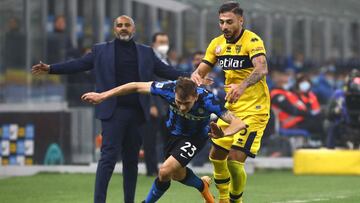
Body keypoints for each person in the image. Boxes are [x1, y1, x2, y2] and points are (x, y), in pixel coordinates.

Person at [32, 15, 188, 203]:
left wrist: (195, 76)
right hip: (113, 113)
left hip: (137, 114)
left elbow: (167, 72)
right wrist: (50, 69)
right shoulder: (100, 51)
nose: (123, 28)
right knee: (107, 160)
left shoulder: (146, 52)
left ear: (133, 29)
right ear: (114, 29)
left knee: (131, 162)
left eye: (127, 25)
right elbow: (78, 65)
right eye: (119, 25)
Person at [81, 77, 247, 203]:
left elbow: (239, 123)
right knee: (177, 175)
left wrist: (223, 134)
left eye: (186, 103)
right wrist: (103, 95)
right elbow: (135, 86)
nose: (182, 107)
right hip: (172, 134)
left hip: (195, 138)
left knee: (164, 171)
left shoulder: (209, 100)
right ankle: (202, 186)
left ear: (195, 97)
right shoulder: (167, 88)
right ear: (174, 93)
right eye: (178, 102)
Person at [191, 2, 270, 202]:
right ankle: (223, 199)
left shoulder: (252, 40)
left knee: (235, 161)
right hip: (231, 109)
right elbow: (200, 71)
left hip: (255, 109)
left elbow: (261, 69)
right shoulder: (217, 44)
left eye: (229, 22)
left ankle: (236, 200)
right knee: (216, 155)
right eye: (221, 22)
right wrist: (197, 78)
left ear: (240, 21)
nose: (224, 26)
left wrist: (241, 86)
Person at [141, 32, 171, 176]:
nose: (163, 45)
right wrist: (151, 104)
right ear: (153, 44)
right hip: (153, 105)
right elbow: (146, 82)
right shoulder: (148, 60)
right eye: (160, 42)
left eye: (165, 42)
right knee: (150, 140)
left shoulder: (166, 60)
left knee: (169, 140)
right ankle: (151, 170)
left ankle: (169, 169)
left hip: (168, 106)